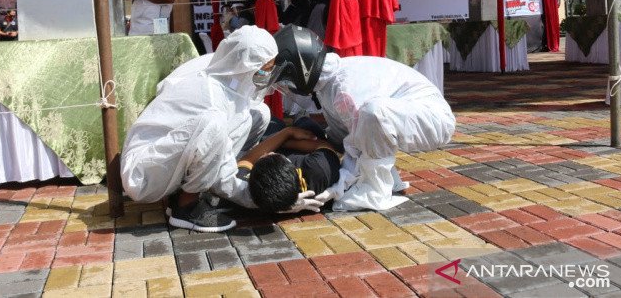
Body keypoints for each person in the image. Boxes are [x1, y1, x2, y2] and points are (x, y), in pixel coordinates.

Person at [120, 26, 321, 232]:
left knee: (259, 113)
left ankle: (196, 183)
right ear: (246, 65)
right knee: (213, 126)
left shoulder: (220, 67)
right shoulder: (212, 102)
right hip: (145, 173)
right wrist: (272, 199)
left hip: (167, 149)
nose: (268, 74)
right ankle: (186, 207)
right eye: (265, 68)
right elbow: (223, 175)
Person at [272, 25, 456, 211]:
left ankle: (374, 191)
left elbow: (358, 144)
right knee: (369, 122)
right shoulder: (328, 84)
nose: (288, 89)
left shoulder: (345, 89)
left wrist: (336, 187)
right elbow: (343, 135)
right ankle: (386, 179)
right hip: (408, 112)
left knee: (374, 113)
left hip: (433, 119)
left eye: (287, 81)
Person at [244, 117, 341, 213]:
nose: (266, 153)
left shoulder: (252, 191)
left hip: (278, 147)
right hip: (304, 150)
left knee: (273, 124)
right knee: (306, 123)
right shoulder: (319, 168)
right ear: (291, 164)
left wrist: (284, 135)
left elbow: (247, 159)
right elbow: (324, 145)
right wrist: (288, 133)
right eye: (272, 154)